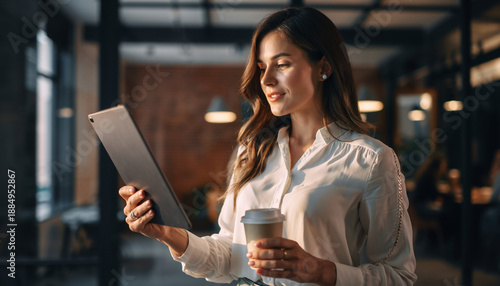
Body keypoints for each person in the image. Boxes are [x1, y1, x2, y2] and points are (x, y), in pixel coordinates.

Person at [118, 7, 416, 286]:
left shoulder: (370, 160)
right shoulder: (251, 152)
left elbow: (399, 275)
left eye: (282, 64)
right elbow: (228, 253)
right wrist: (167, 234)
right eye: (262, 67)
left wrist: (320, 270)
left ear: (323, 66)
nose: (267, 79)